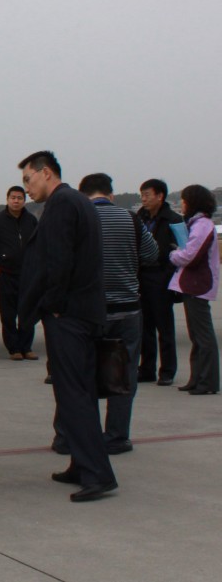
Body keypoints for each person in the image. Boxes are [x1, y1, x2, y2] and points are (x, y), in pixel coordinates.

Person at [17, 151, 117, 502]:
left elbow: (59, 261)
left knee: (73, 395)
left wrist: (54, 306)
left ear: (45, 173)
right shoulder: (80, 201)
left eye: (28, 179)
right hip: (85, 312)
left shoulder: (61, 204)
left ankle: (97, 474)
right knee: (81, 393)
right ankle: (80, 464)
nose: (26, 188)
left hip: (69, 316)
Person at [72, 173, 157, 455]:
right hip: (127, 310)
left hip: (88, 311)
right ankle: (117, 436)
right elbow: (151, 254)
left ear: (83, 195)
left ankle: (72, 436)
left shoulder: (78, 219)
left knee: (79, 374)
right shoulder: (131, 219)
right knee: (124, 375)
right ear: (110, 194)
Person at [168, 185, 220, 395]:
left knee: (203, 336)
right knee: (196, 336)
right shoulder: (199, 224)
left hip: (198, 285)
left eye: (184, 200)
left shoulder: (202, 225)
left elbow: (190, 255)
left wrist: (174, 255)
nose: (182, 204)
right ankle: (197, 378)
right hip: (194, 284)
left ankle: (207, 381)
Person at [0, 186, 39, 360]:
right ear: (7, 199)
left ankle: (26, 347)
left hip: (28, 275)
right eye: (13, 198)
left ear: (24, 201)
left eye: (19, 198)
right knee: (8, 314)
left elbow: (40, 243)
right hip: (6, 275)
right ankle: (14, 349)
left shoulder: (31, 220)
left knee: (27, 312)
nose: (16, 201)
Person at [136, 179, 183, 385]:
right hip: (141, 276)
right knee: (144, 327)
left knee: (165, 327)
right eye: (142, 195)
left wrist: (168, 274)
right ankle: (147, 369)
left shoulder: (173, 220)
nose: (143, 199)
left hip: (162, 276)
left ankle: (167, 371)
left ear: (160, 196)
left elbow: (182, 248)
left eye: (147, 195)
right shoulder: (140, 218)